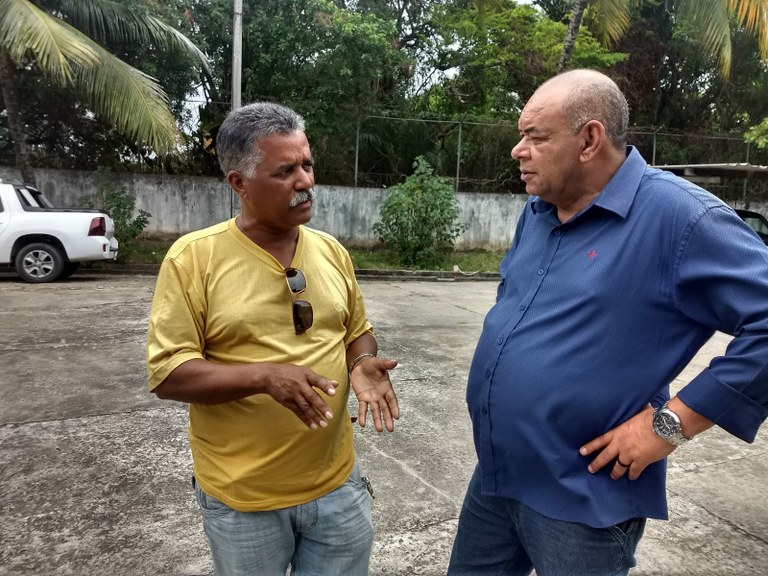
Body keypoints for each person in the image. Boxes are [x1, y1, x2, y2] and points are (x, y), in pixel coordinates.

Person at [448, 69, 768, 575]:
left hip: (582, 498)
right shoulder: (537, 212)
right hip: (499, 472)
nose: (518, 149)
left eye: (535, 136)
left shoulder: (679, 218)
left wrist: (672, 424)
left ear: (589, 140)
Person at [146, 102, 400, 576]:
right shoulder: (193, 259)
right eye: (285, 171)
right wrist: (264, 377)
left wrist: (363, 362)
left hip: (337, 488)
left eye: (307, 164)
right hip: (244, 500)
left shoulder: (331, 252)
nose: (305, 181)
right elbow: (169, 374)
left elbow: (356, 333)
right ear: (239, 183)